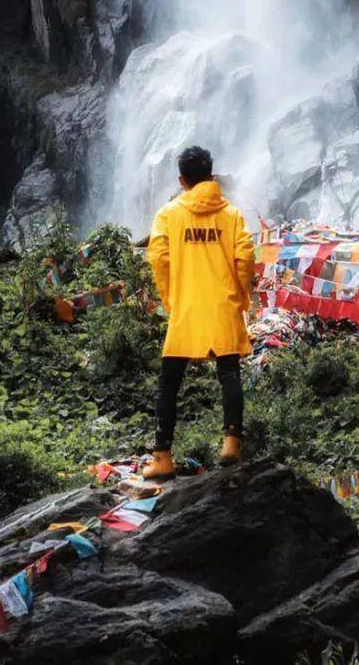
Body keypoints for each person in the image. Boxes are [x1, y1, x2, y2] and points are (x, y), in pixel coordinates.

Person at [143, 144, 255, 481]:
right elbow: (245, 259)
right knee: (229, 373)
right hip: (222, 303)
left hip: (187, 306)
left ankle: (162, 456)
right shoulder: (231, 215)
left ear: (182, 180)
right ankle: (231, 443)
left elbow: (158, 258)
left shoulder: (168, 215)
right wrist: (240, 295)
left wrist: (171, 299)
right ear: (211, 175)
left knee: (170, 382)